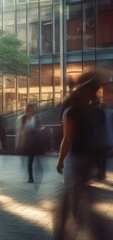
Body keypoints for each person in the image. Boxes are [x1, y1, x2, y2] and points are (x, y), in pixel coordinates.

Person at [54, 72, 106, 239]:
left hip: (76, 160)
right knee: (81, 199)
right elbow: (100, 139)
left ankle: (64, 233)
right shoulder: (97, 112)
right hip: (89, 161)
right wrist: (99, 165)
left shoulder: (71, 112)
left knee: (69, 200)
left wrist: (60, 161)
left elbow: (67, 140)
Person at [16, 103, 42, 183]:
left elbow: (40, 128)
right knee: (30, 160)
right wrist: (18, 143)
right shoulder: (23, 118)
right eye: (30, 109)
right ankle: (30, 177)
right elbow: (20, 131)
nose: (32, 110)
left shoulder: (37, 118)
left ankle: (37, 170)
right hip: (28, 142)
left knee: (35, 159)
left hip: (36, 141)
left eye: (33, 109)